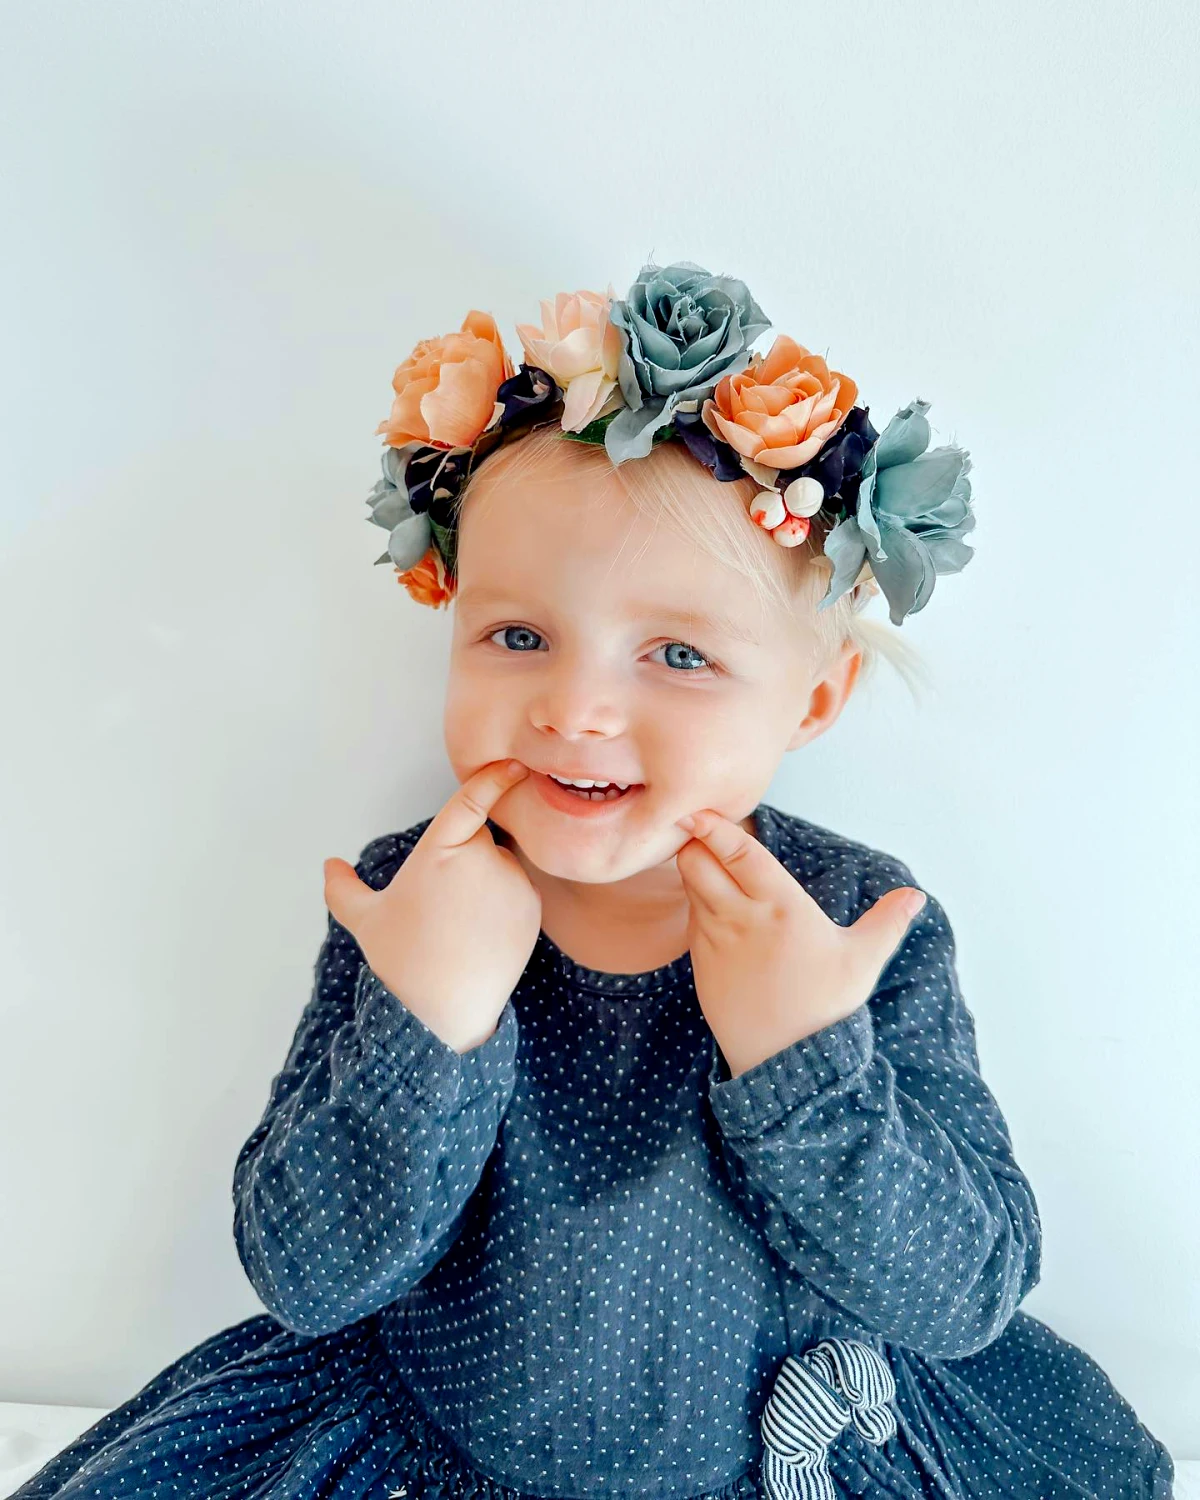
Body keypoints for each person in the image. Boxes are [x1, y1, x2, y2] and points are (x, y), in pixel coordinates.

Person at [14, 261, 1175, 1500]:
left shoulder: (852, 922)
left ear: (815, 698)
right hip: (435, 1448)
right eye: (519, 638)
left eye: (678, 654)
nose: (575, 709)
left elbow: (965, 1298)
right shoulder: (411, 898)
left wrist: (803, 1058)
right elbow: (308, 1278)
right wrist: (430, 1025)